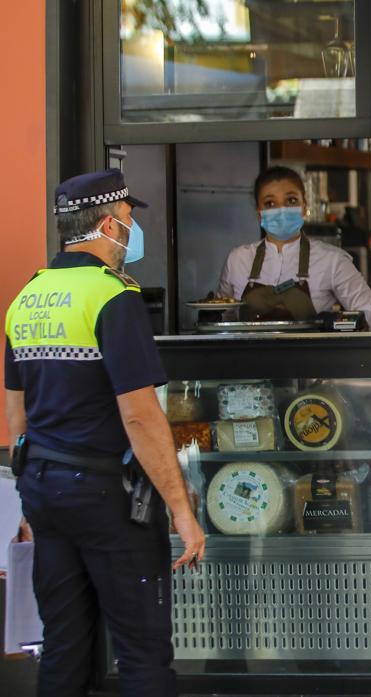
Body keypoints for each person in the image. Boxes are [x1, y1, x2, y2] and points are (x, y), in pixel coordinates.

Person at [4, 169, 206, 696]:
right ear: (110, 223)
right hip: (106, 497)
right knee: (142, 652)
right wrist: (182, 511)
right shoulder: (112, 297)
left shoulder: (28, 297)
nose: (131, 230)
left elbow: (16, 416)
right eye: (130, 219)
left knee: (64, 644)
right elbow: (140, 417)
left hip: (45, 490)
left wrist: (28, 506)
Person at [217, 165, 371, 329]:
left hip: (312, 355)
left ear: (304, 206)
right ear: (259, 213)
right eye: (270, 203)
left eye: (291, 200)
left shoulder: (332, 260)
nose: (281, 210)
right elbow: (221, 320)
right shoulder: (238, 260)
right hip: (249, 355)